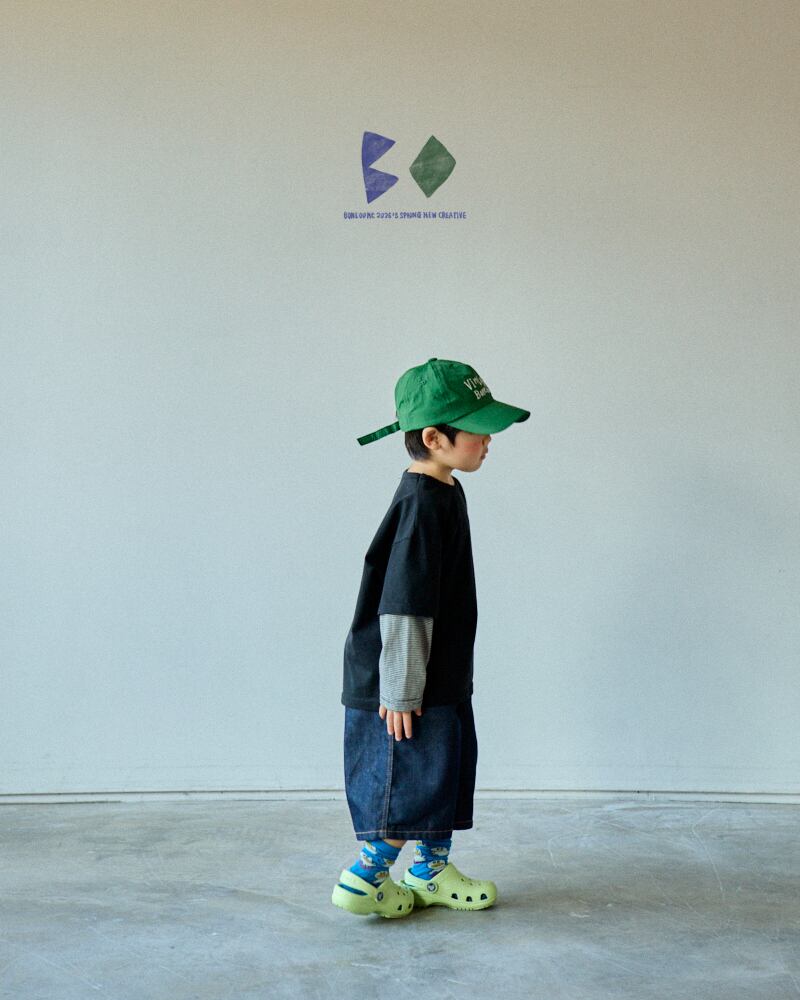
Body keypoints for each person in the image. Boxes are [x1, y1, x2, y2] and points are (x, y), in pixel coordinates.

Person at [331, 357, 530, 918]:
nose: (488, 440)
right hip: (405, 676)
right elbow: (405, 605)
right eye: (477, 429)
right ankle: (365, 878)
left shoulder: (444, 490)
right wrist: (400, 691)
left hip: (436, 670)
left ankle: (429, 870)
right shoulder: (421, 505)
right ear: (434, 439)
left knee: (444, 768)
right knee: (411, 781)